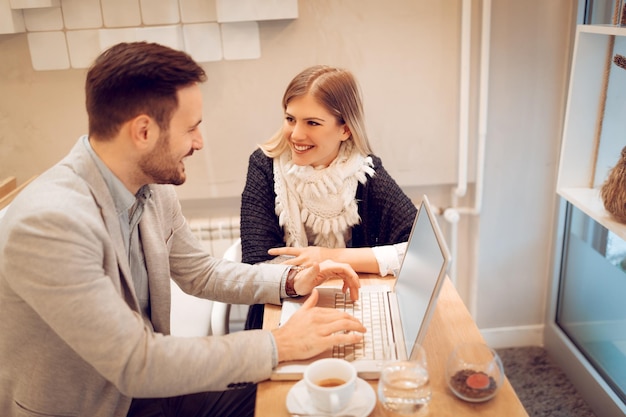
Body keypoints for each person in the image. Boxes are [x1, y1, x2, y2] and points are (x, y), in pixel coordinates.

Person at [0, 43, 366, 417]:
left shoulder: (149, 186)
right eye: (191, 128)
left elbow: (200, 273)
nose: (199, 142)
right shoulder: (49, 224)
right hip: (101, 406)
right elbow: (135, 364)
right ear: (143, 131)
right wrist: (279, 344)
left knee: (315, 401)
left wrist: (290, 281)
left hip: (151, 391)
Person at [240, 65, 418, 329]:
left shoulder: (365, 171)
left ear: (345, 130)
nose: (296, 135)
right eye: (290, 119)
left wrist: (327, 257)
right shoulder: (264, 166)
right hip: (281, 306)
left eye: (312, 122)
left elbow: (417, 251)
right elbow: (257, 264)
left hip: (351, 299)